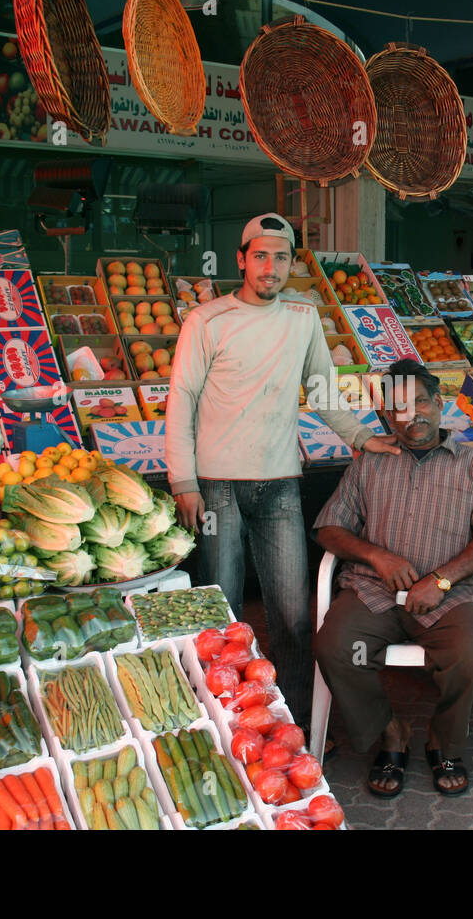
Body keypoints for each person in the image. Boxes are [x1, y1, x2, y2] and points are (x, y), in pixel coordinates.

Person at [165, 213, 399, 723]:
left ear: (292, 263)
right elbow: (181, 399)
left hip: (281, 487)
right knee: (223, 613)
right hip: (217, 486)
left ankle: (292, 716)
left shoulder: (302, 318)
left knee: (292, 615)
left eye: (281, 257)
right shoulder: (206, 321)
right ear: (241, 260)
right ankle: (226, 721)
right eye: (261, 256)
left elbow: (321, 389)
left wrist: (361, 437)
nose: (270, 267)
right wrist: (183, 480)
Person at [314, 359, 473, 797]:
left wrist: (439, 580)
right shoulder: (369, 465)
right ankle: (390, 732)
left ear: (439, 404)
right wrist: (375, 556)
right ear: (385, 416)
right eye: (398, 407)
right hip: (372, 594)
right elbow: (329, 527)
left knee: (471, 657)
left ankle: (444, 741)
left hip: (448, 599)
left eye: (421, 401)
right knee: (335, 647)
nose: (412, 414)